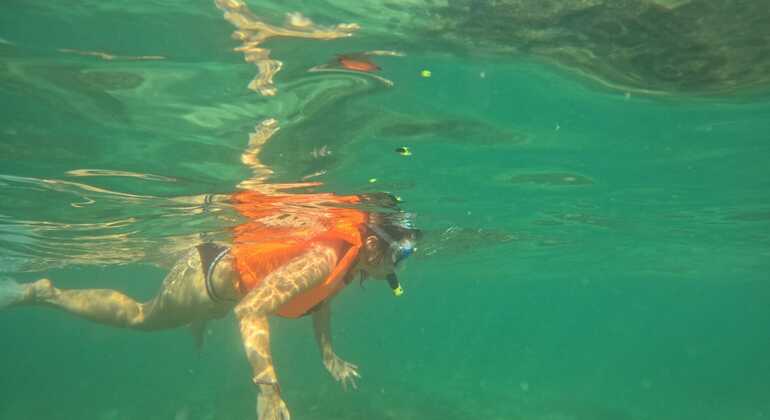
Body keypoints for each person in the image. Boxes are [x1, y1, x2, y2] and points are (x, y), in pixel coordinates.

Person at [0, 187, 419, 420]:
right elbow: (250, 308)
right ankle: (43, 293)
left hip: (224, 292)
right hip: (208, 280)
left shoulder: (349, 265)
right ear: (371, 243)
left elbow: (319, 301)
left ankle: (196, 320)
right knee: (142, 316)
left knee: (204, 315)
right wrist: (269, 391)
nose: (400, 265)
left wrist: (330, 356)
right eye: (401, 255)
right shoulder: (326, 256)